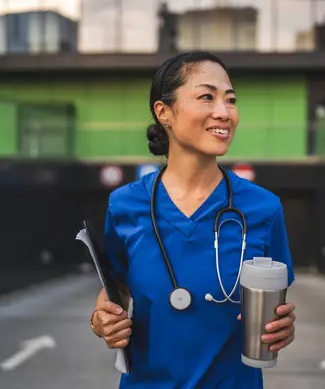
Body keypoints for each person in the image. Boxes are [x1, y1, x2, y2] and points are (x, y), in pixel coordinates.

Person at [89, 51, 297, 388]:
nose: (223, 112)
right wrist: (102, 319)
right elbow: (116, 289)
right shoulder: (125, 205)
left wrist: (282, 325)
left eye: (230, 100)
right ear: (164, 112)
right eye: (207, 97)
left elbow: (276, 304)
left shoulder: (264, 208)